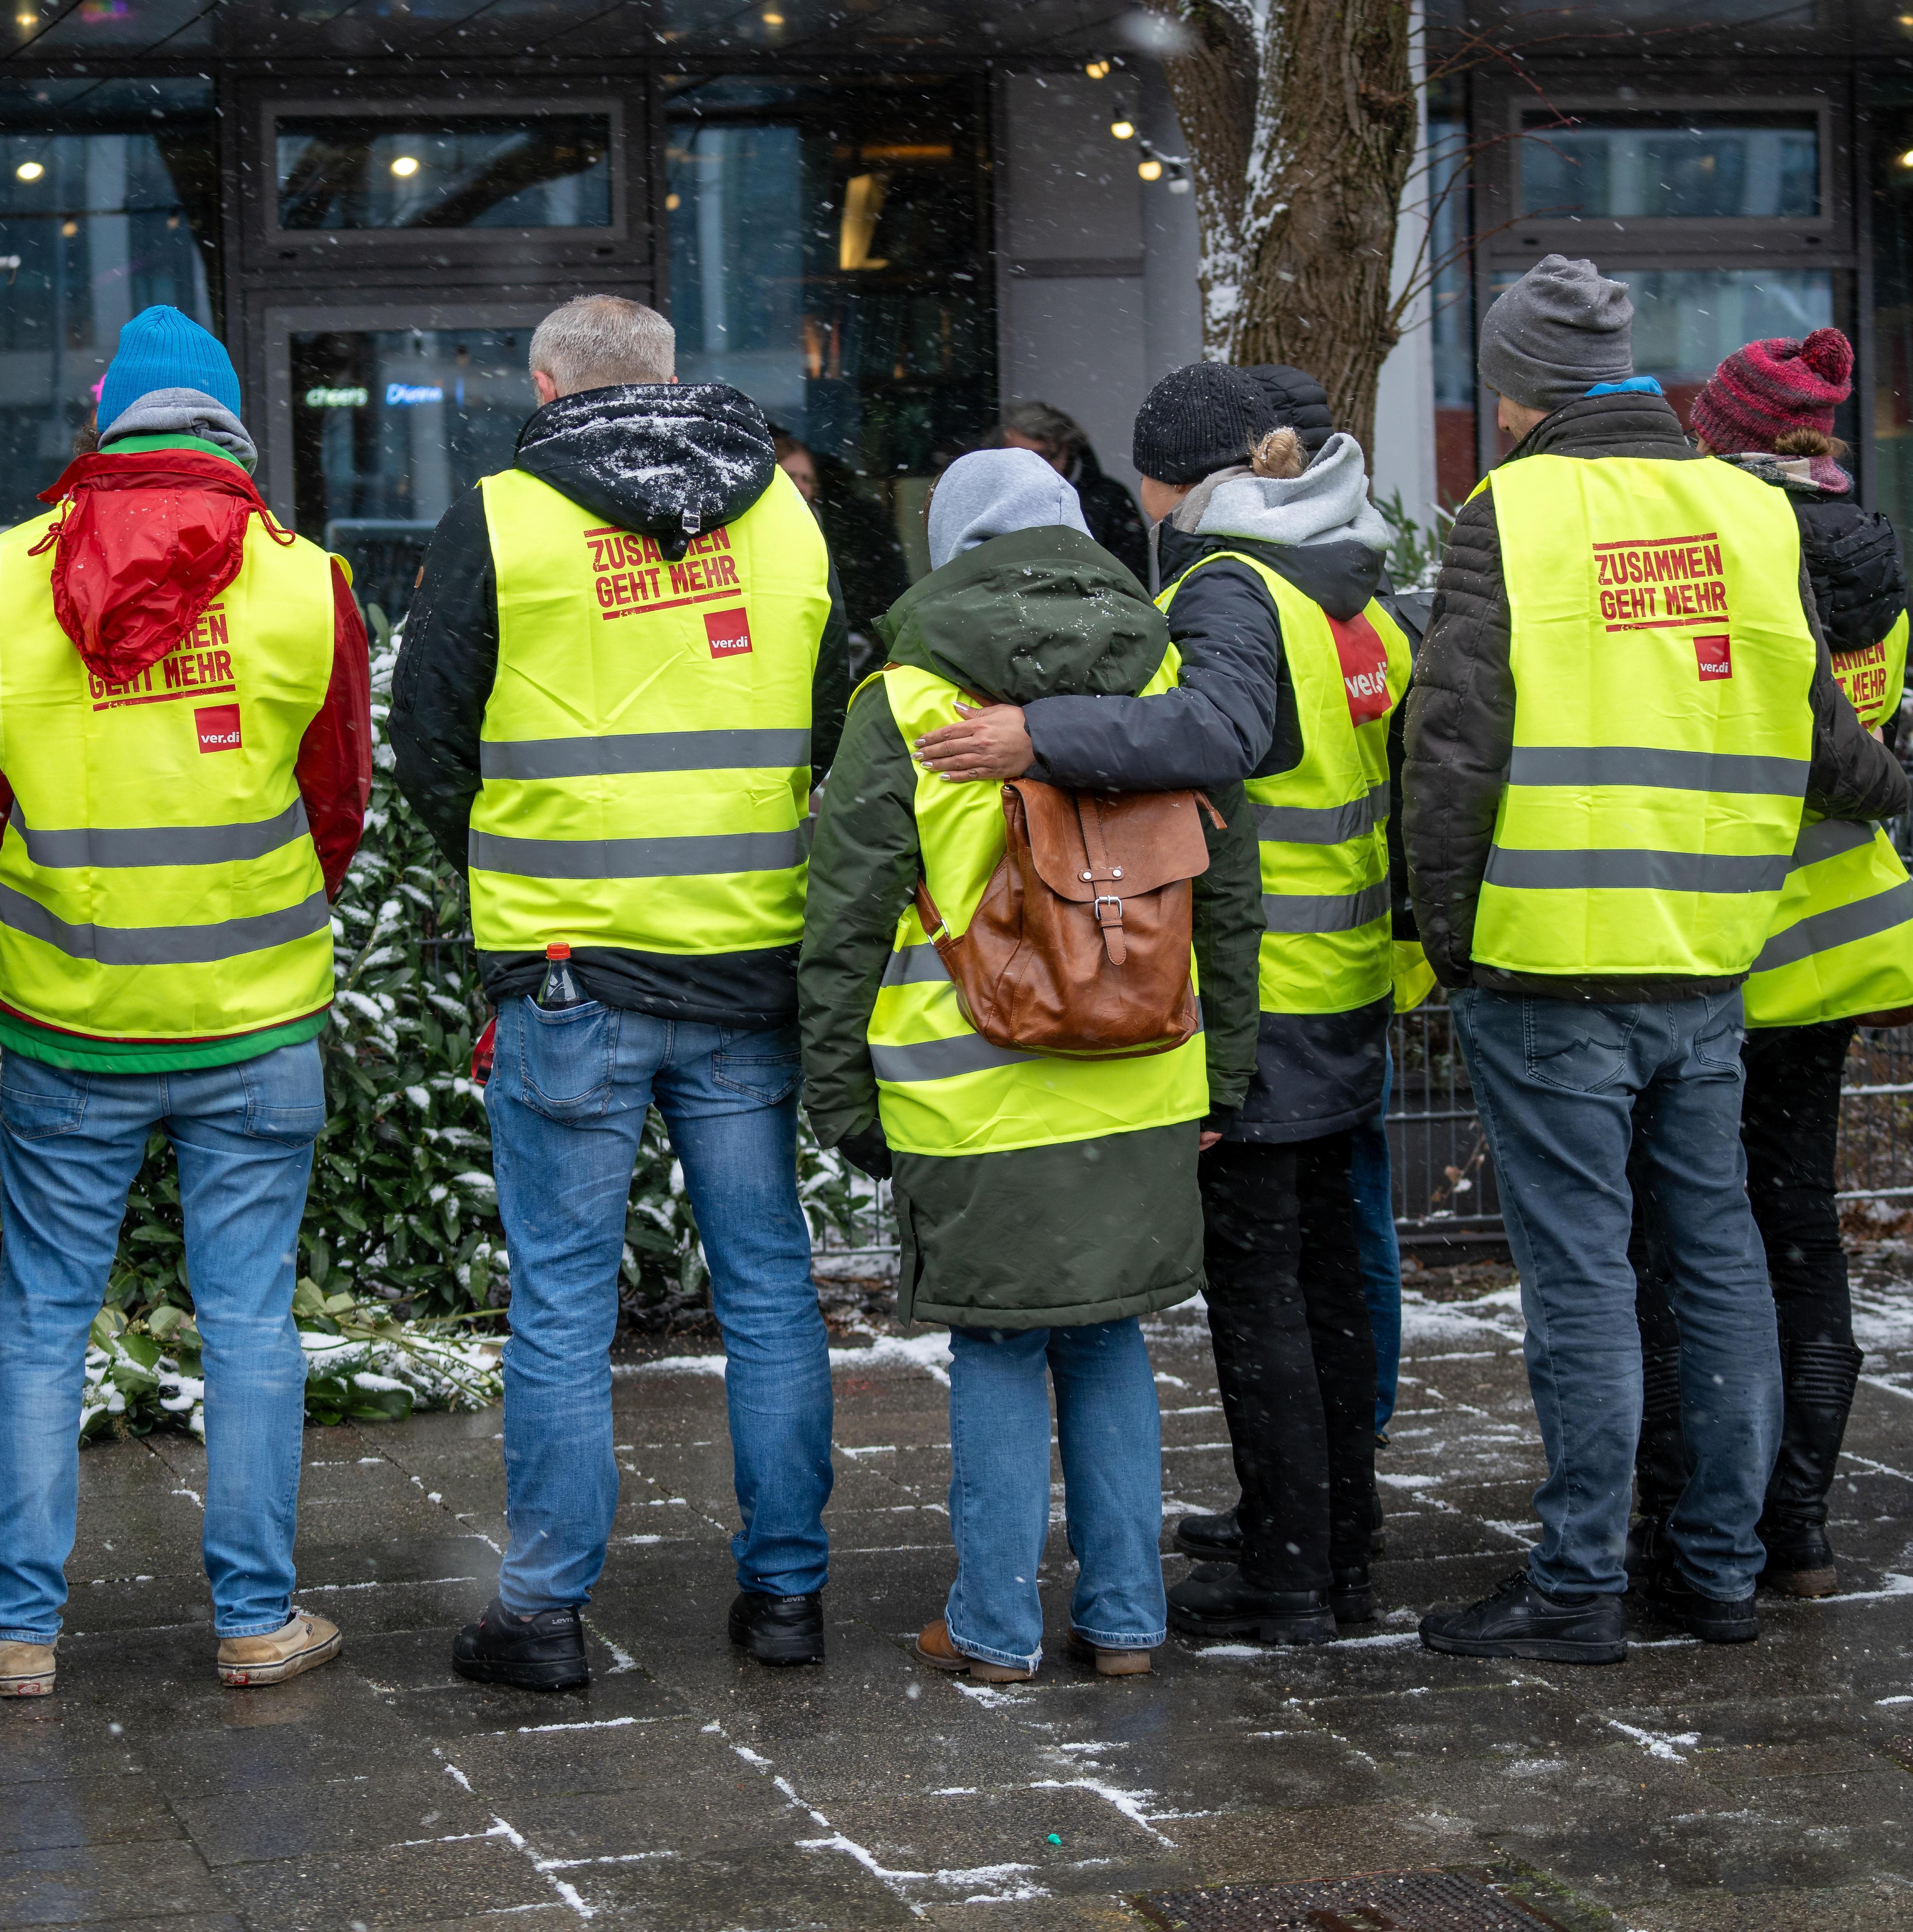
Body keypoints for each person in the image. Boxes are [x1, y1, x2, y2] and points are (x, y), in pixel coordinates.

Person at [1403, 257, 1912, 1663]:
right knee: (1719, 1261)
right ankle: (1716, 1570)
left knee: (1582, 1279)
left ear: (1513, 391)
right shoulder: (1745, 507)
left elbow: (1450, 746)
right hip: (1706, 955)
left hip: (1547, 956)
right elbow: (1830, 748)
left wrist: (1446, 939)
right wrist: (1897, 782)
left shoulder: (1506, 512)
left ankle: (1575, 1586)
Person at [388, 295, 850, 1691]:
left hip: (568, 973)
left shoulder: (506, 516)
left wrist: (526, 865)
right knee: (768, 1289)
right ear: (670, 376)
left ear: (543, 382)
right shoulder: (782, 514)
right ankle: (784, 1597)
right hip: (742, 959)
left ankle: (541, 1614)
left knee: (563, 1306)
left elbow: (428, 736)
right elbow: (829, 719)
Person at [918, 365, 1409, 1641]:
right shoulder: (1350, 593)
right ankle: (1325, 1528)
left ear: (1160, 482)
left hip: (1271, 995)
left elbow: (1217, 733)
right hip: (1348, 979)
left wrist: (1042, 735)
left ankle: (1292, 1570)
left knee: (1265, 1295)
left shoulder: (1231, 586)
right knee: (1325, 1283)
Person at [0, 304, 373, 1698]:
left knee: (45, 1316)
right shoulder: (303, 580)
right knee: (249, 1318)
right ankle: (255, 1619)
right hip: (252, 1015)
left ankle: (19, 1632)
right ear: (232, 431)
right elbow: (338, 800)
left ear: (106, 426)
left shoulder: (10, 575)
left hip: (65, 1012)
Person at [799, 446, 1262, 1681]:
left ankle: (995, 1624)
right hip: (1145, 1079)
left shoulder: (899, 700)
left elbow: (842, 919)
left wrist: (839, 1095)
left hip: (971, 1093)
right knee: (1109, 1344)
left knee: (999, 1348)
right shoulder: (1168, 680)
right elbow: (1227, 899)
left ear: (947, 550)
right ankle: (1122, 1622)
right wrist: (1227, 1076)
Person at [1628, 330, 1913, 1600]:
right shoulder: (1864, 549)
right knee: (1796, 1226)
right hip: (1840, 933)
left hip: (1724, 936)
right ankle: (1796, 1519)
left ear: (1719, 433)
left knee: (1697, 1239)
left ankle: (1706, 1506)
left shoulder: (1730, 552)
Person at [771, 425, 908, 677]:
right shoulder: (756, 534)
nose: (801, 486)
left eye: (807, 479)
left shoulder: (841, 530)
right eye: (790, 477)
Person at [998, 399, 1148, 584]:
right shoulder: (994, 496)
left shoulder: (1110, 500)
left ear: (1065, 449)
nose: (1022, 467)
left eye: (1038, 456)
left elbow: (1131, 583)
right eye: (1008, 457)